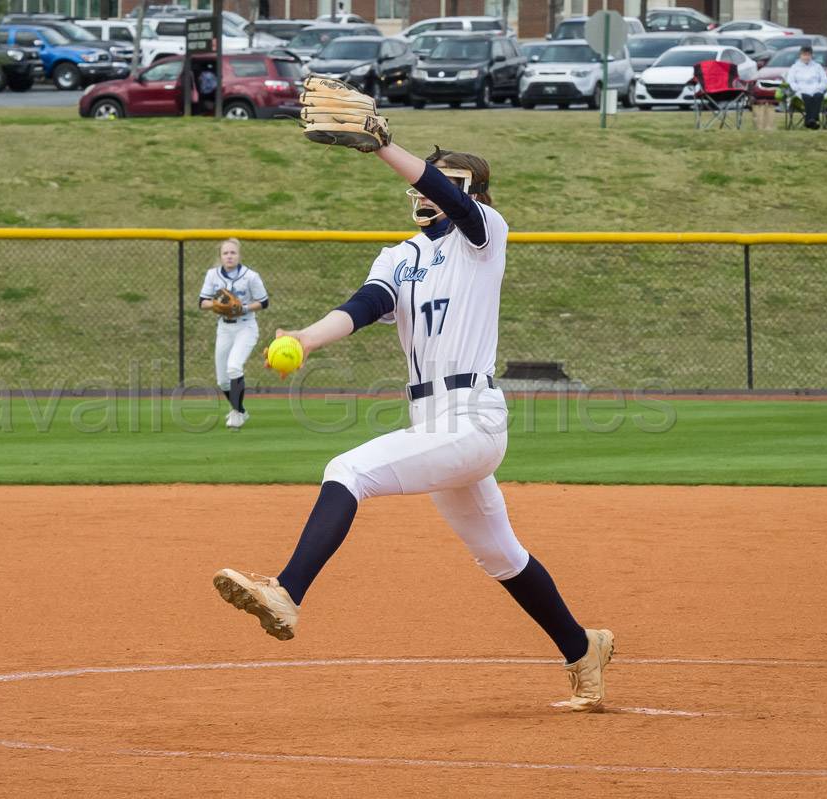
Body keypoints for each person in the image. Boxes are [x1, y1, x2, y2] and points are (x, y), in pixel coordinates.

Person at [212, 140, 616, 711]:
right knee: (500, 555)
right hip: (432, 422)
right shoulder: (398, 257)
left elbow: (450, 194)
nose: (427, 190)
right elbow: (362, 307)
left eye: (445, 182)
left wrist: (382, 146)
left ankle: (287, 590)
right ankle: (583, 649)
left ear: (470, 193)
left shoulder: (485, 236)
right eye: (426, 180)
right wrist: (304, 337)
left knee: (348, 469)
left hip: (473, 417)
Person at [198, 239, 269, 429]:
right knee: (222, 379)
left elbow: (263, 302)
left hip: (245, 327)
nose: (229, 256)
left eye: (232, 253)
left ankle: (237, 413)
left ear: (239, 255)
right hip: (224, 328)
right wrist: (219, 305)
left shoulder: (251, 276)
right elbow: (202, 302)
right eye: (225, 253)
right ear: (220, 256)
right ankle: (240, 410)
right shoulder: (212, 275)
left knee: (234, 367)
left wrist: (242, 308)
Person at [784, 46, 827, 129]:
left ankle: (810, 121)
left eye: (808, 55)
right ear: (800, 55)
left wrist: (819, 88)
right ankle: (813, 120)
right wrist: (797, 89)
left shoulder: (817, 66)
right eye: (804, 55)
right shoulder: (795, 67)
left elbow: (824, 80)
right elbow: (791, 81)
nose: (806, 57)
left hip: (816, 89)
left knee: (819, 96)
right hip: (801, 91)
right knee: (806, 97)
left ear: (811, 56)